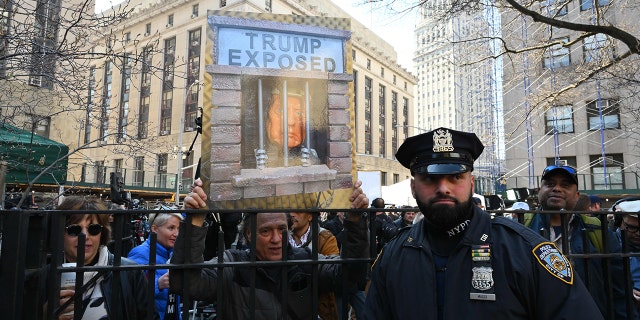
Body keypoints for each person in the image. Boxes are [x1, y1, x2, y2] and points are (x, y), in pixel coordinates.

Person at [364, 127, 602, 319]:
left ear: (472, 184)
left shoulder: (525, 252)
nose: (443, 187)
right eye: (429, 178)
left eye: (456, 176)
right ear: (414, 187)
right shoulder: (392, 257)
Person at [170, 179, 370, 319]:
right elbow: (186, 283)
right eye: (265, 231)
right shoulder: (233, 265)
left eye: (281, 229)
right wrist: (195, 222)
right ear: (249, 234)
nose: (276, 239)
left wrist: (354, 221)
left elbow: (351, 273)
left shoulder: (305, 260)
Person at [23, 195, 157, 320]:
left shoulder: (129, 273)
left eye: (93, 229)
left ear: (102, 233)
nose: (85, 236)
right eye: (74, 229)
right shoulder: (42, 278)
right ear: (59, 234)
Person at [525, 165, 629, 319]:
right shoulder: (521, 227)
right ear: (540, 191)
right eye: (550, 184)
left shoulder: (598, 230)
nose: (557, 189)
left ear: (577, 195)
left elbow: (619, 290)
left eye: (565, 185)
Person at [128, 212, 183, 320]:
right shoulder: (140, 253)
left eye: (179, 228)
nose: (177, 233)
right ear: (154, 229)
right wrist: (157, 284)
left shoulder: (172, 253)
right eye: (171, 228)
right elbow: (129, 291)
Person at [289, 211, 340, 320]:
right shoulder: (279, 237)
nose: (292, 214)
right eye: (290, 210)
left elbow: (331, 275)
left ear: (310, 216)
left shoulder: (325, 238)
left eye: (298, 210)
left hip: (319, 307)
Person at [612, 197, 640, 314]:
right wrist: (627, 291)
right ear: (619, 222)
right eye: (632, 228)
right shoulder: (609, 245)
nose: (638, 233)